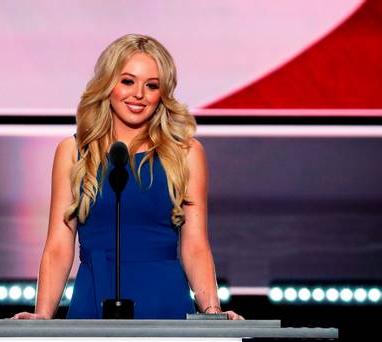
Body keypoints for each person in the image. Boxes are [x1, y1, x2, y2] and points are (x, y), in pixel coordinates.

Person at [13, 34, 243, 320]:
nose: (138, 94)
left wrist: (212, 312)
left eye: (151, 85)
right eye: (127, 81)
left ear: (162, 94)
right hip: (94, 299)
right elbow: (59, 244)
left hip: (165, 300)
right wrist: (42, 320)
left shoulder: (186, 153)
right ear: (108, 83)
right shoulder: (73, 152)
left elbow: (194, 244)